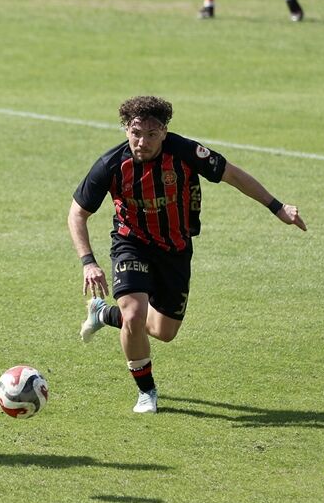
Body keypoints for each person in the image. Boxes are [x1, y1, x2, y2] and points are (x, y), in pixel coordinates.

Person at [69, 95, 305, 414]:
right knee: (135, 315)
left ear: (164, 132)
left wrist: (278, 208)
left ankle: (103, 314)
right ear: (126, 130)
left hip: (176, 250)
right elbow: (77, 214)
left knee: (164, 332)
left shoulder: (185, 152)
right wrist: (88, 263)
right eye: (136, 132)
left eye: (151, 134)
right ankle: (146, 392)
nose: (143, 141)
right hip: (131, 243)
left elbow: (233, 175)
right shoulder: (111, 165)